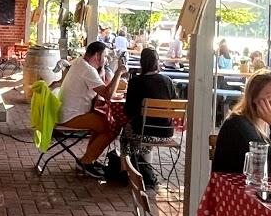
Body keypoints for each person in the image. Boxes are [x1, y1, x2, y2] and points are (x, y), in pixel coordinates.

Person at [52, 40, 126, 176]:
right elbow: (108, 94)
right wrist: (119, 73)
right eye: (105, 56)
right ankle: (86, 161)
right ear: (97, 55)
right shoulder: (87, 70)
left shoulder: (81, 63)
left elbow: (102, 90)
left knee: (104, 122)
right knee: (112, 127)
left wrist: (102, 69)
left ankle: (89, 159)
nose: (107, 59)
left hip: (67, 112)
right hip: (71, 116)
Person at [211, 70, 271, 177]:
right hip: (236, 192)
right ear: (254, 98)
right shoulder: (238, 125)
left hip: (255, 190)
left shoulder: (264, 123)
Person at [122, 46, 178, 188]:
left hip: (143, 134)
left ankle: (126, 172)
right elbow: (175, 104)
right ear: (157, 62)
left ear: (142, 63)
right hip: (166, 133)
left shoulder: (136, 82)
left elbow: (129, 111)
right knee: (141, 132)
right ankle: (146, 169)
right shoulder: (168, 81)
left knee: (126, 135)